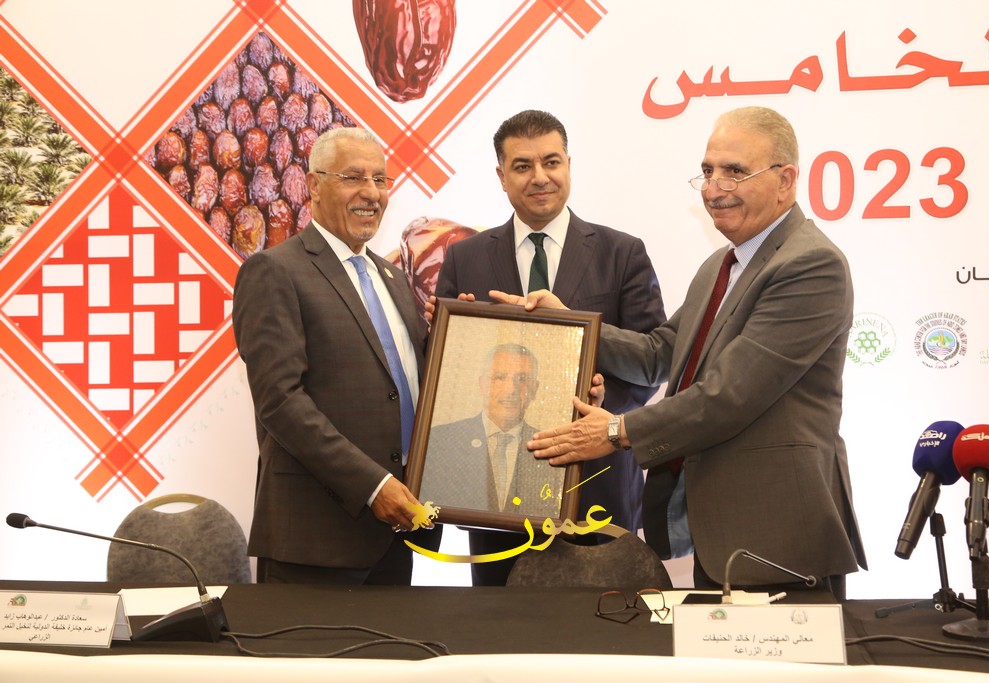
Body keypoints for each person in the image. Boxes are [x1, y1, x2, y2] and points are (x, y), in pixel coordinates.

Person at [497, 107, 867, 599]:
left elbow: (729, 395)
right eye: (708, 172)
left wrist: (615, 431)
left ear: (785, 180)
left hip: (778, 534)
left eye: (734, 171)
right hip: (722, 534)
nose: (714, 189)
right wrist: (568, 322)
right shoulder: (722, 263)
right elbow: (659, 353)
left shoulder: (811, 264)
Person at [434, 109, 666, 585]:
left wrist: (605, 401)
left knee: (604, 624)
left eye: (551, 162)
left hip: (596, 485)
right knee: (498, 625)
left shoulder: (622, 252)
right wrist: (460, 343)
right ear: (502, 176)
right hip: (496, 495)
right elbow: (443, 372)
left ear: (568, 165)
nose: (540, 177)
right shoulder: (464, 258)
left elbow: (651, 361)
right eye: (522, 166)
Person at [232, 126, 439, 585]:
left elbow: (415, 386)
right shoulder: (274, 271)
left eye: (380, 180)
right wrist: (373, 486)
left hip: (397, 532)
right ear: (313, 185)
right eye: (353, 177)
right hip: (315, 541)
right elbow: (280, 402)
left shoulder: (392, 278)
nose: (372, 193)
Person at [420, 343, 560, 518]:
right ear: (482, 385)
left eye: (522, 379)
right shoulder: (440, 441)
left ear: (535, 389)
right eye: (500, 377)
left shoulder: (551, 450)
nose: (511, 389)